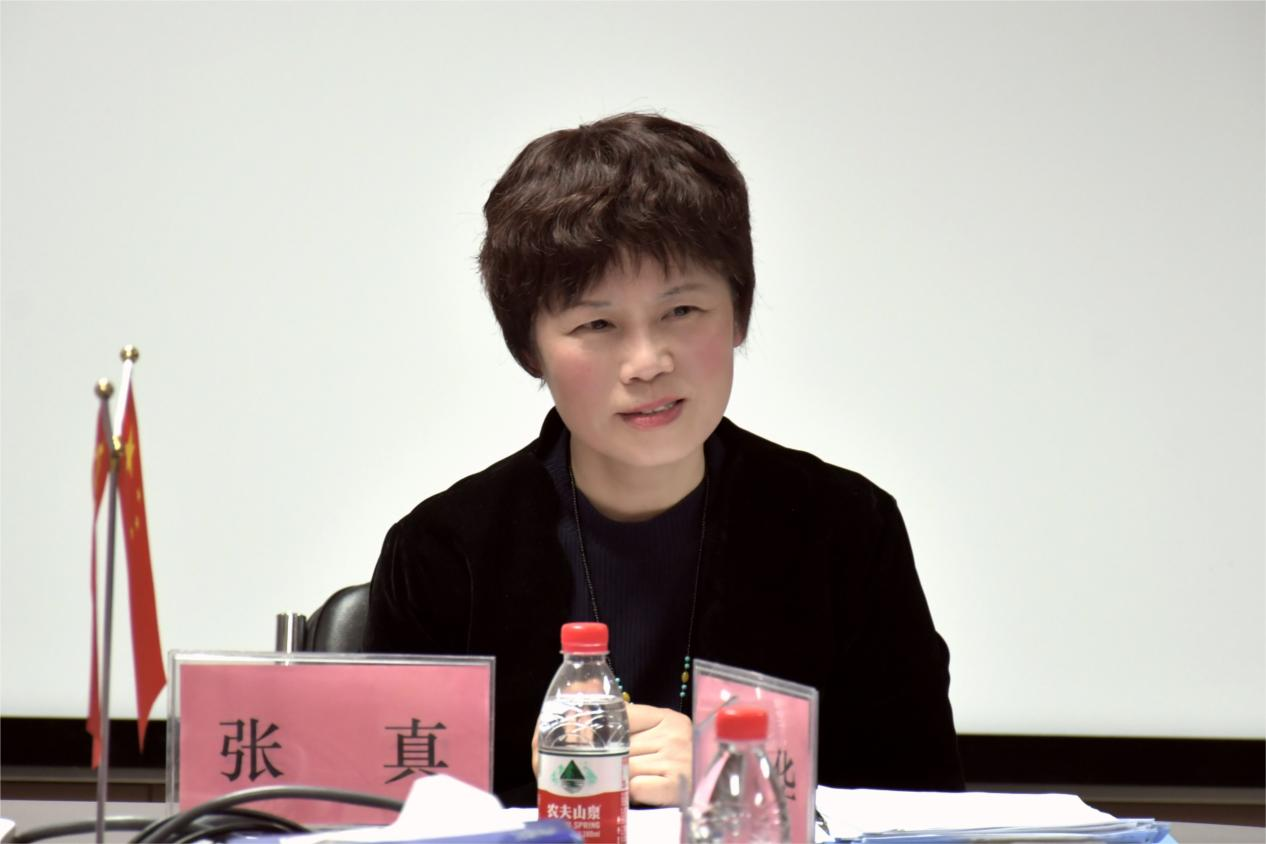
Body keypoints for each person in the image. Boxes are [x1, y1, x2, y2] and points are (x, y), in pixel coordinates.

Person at [365, 113, 964, 807]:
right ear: (529, 349)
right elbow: (395, 816)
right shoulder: (445, 552)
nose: (647, 362)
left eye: (681, 312)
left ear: (738, 314)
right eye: (596, 324)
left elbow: (923, 805)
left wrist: (736, 781)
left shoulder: (846, 530)